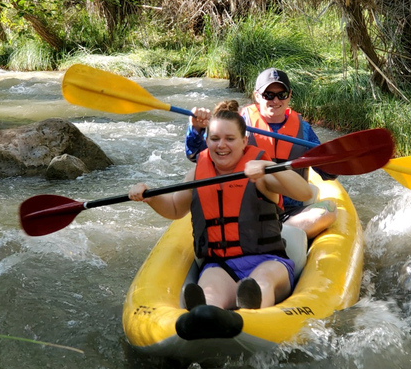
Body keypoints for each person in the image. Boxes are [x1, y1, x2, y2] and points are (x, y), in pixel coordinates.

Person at [129, 100, 314, 311]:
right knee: (210, 289)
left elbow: (305, 192)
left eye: (230, 139)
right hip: (221, 265)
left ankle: (252, 309)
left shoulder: (260, 174)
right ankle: (206, 313)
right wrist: (149, 197)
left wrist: (268, 166)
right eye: (215, 139)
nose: (221, 145)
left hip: (269, 261)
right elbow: (174, 208)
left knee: (262, 280)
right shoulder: (198, 173)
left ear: (244, 141)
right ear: (207, 141)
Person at [185, 68, 337, 238]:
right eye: (269, 95)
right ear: (257, 96)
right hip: (248, 209)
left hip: (290, 211)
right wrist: (196, 128)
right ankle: (279, 236)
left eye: (282, 94)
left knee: (329, 211)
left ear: (289, 95)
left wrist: (336, 159)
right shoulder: (238, 123)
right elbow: (198, 155)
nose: (276, 100)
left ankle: (278, 234)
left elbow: (328, 173)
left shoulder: (304, 129)